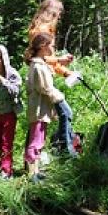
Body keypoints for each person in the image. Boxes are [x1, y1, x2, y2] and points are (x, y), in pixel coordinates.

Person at [27, 0, 80, 157]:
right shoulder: (41, 31)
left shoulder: (48, 31)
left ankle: (57, 150)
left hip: (47, 79)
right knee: (62, 114)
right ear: (51, 13)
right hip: (42, 82)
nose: (59, 18)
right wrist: (59, 60)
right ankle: (66, 151)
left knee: (44, 123)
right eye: (58, 14)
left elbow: (50, 61)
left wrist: (66, 72)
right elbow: (38, 59)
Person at [24, 32, 65, 182]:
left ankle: (36, 171)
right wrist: (60, 98)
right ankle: (31, 173)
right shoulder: (38, 66)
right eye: (51, 45)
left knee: (39, 141)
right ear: (43, 47)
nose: (53, 48)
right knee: (35, 142)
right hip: (39, 110)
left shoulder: (40, 63)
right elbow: (45, 88)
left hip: (42, 109)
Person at [0, 44, 23, 179]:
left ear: (4, 58)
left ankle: (6, 170)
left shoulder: (12, 74)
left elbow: (16, 91)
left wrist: (3, 80)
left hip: (9, 113)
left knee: (6, 142)